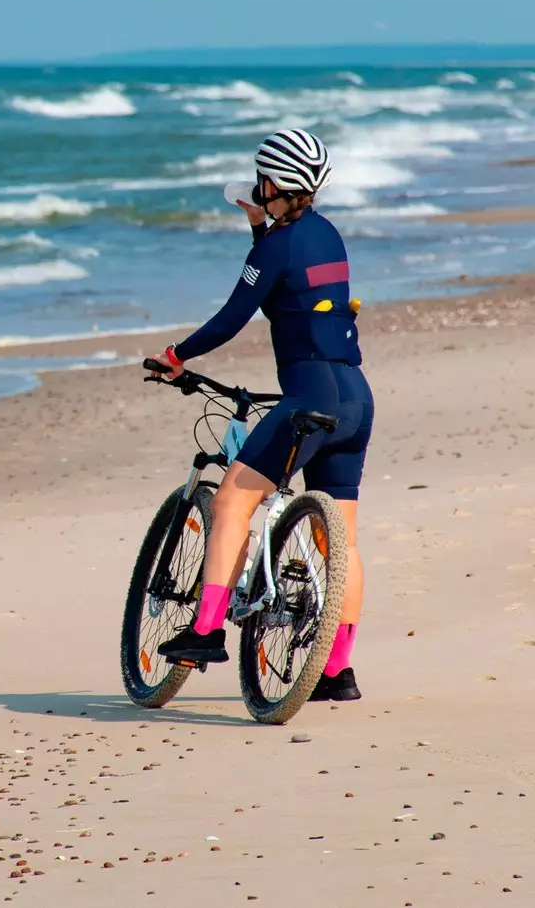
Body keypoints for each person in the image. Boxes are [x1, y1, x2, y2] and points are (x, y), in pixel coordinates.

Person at [149, 128, 373, 702]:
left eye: (261, 179)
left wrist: (176, 357)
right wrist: (258, 227)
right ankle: (336, 671)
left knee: (230, 502)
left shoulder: (277, 245)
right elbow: (289, 286)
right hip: (356, 399)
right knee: (341, 543)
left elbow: (233, 316)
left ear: (274, 181)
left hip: (309, 398)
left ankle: (203, 632)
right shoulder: (328, 235)